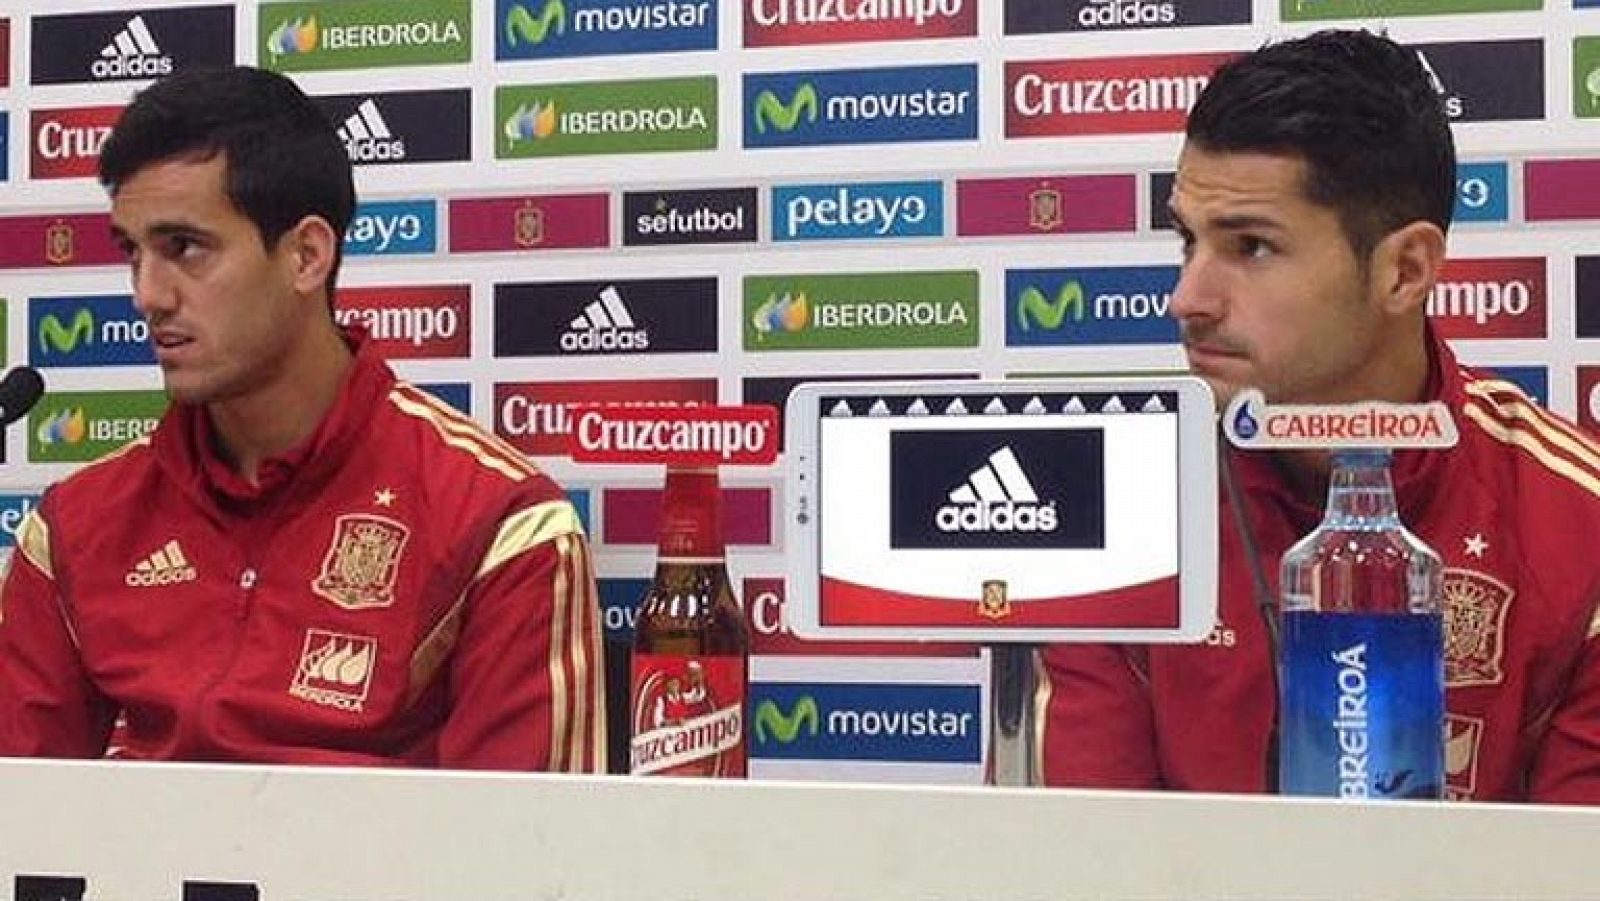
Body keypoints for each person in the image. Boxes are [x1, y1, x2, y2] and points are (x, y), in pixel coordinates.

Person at [1036, 30, 1600, 802]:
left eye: (1252, 247)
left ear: (1405, 270)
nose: (1187, 299)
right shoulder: (1121, 513)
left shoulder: (1579, 525)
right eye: (1188, 241)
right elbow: (1094, 861)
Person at [0, 66, 607, 770]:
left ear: (306, 255)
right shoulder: (77, 525)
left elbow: (535, 862)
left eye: (184, 249)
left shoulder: (500, 523)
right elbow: (19, 826)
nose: (147, 294)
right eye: (131, 251)